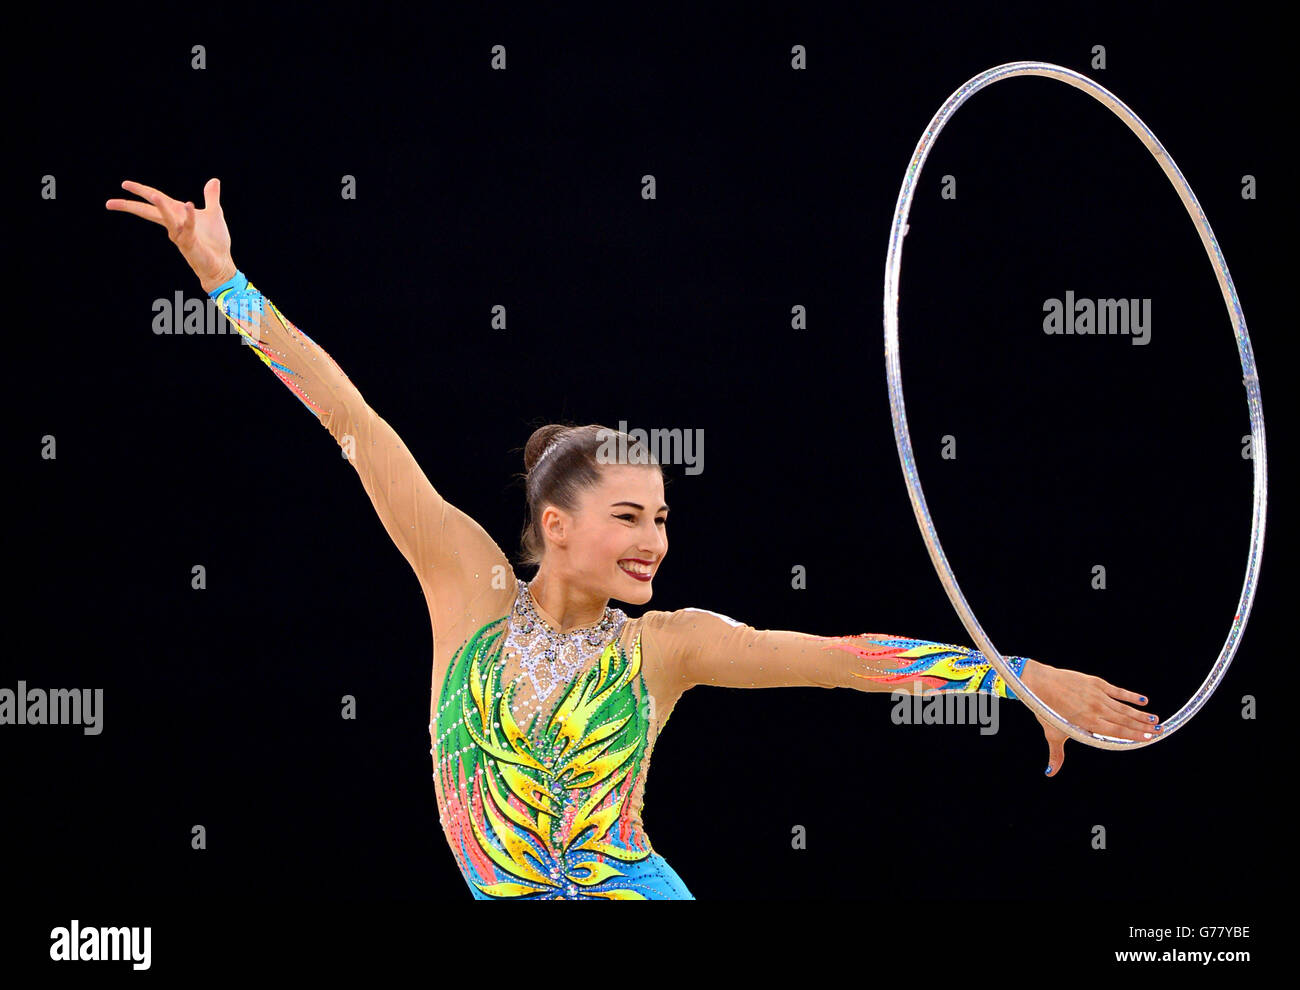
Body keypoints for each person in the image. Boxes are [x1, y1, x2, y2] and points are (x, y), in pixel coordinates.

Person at [106, 178, 1163, 900]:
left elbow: (847, 664)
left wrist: (1011, 674)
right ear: (554, 527)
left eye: (662, 517)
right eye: (630, 516)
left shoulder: (665, 649)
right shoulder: (462, 580)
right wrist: (221, 280)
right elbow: (351, 419)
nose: (656, 537)